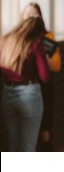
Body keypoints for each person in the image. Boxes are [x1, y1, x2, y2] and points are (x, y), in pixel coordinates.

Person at [0, 17, 51, 151]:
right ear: (38, 33)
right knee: (27, 146)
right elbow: (45, 77)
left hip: (7, 93)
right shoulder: (35, 44)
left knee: (13, 144)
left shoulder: (5, 41)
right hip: (29, 94)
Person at [21, 2, 62, 151]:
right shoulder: (17, 38)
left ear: (40, 17)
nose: (30, 18)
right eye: (27, 15)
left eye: (34, 15)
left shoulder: (47, 37)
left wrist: (40, 51)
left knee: (45, 133)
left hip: (44, 88)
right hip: (25, 89)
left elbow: (56, 66)